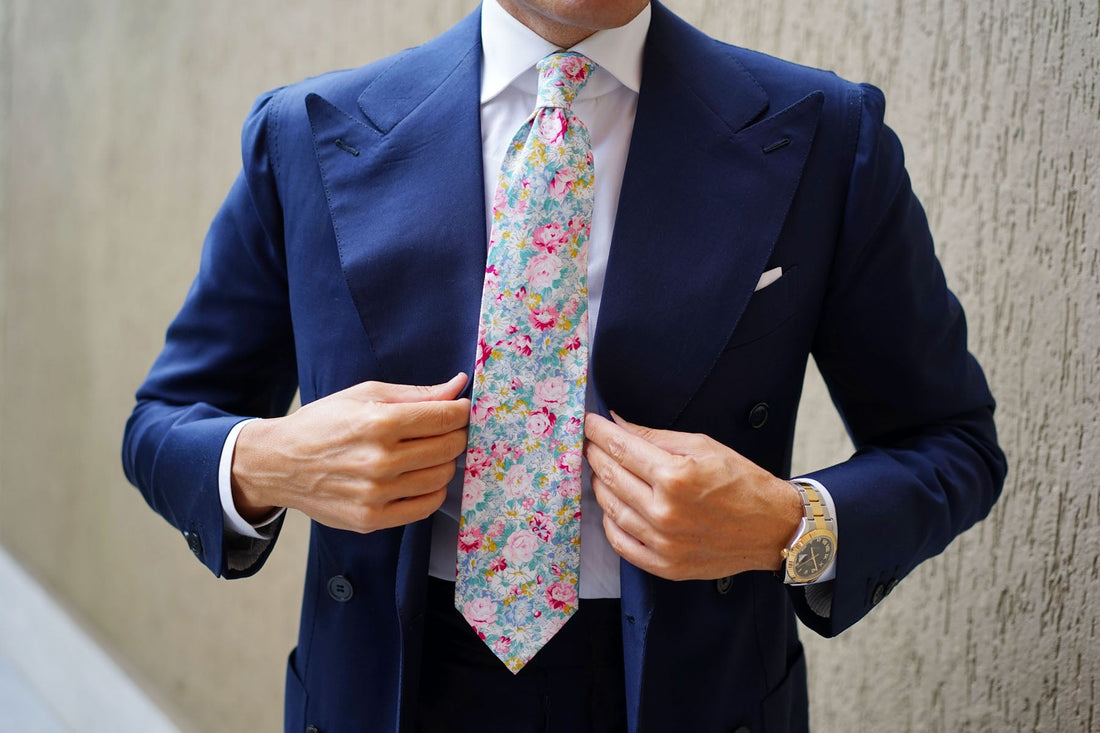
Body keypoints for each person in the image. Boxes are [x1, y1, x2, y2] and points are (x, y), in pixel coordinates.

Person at [122, 0, 1007, 730]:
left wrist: (788, 523)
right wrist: (274, 461)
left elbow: (951, 441)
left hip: (692, 692)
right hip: (389, 686)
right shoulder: (305, 134)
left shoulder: (825, 135)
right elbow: (162, 422)